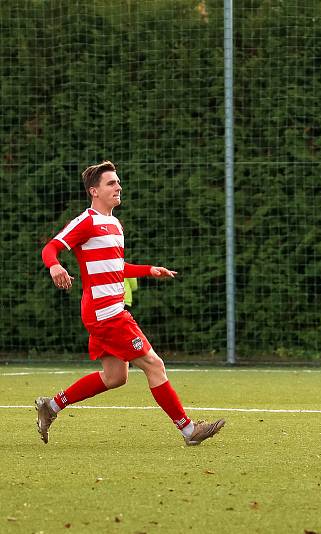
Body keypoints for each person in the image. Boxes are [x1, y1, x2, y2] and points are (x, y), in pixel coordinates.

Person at [36, 160, 226, 445]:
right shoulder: (86, 221)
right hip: (106, 313)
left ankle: (51, 406)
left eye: (118, 181)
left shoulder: (114, 224)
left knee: (115, 377)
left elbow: (116, 266)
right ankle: (189, 431)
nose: (118, 186)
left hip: (106, 311)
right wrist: (55, 266)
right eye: (111, 183)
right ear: (93, 191)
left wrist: (148, 270)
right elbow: (51, 247)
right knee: (154, 364)